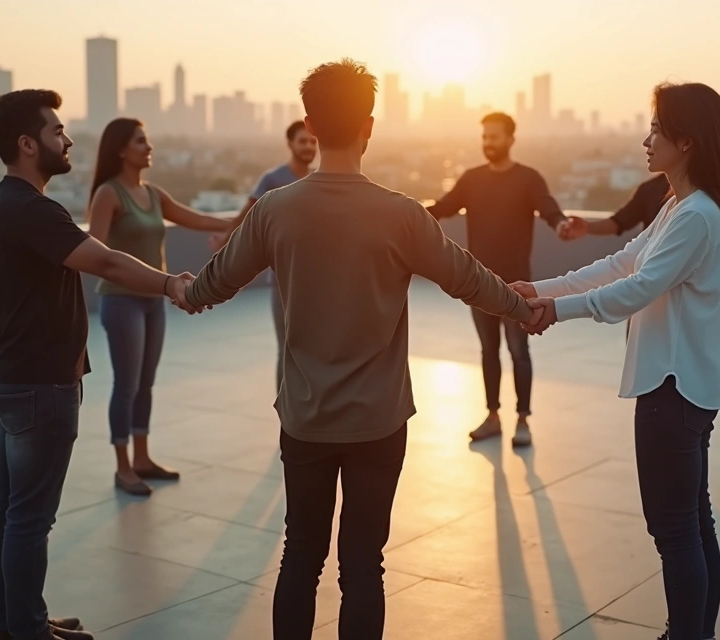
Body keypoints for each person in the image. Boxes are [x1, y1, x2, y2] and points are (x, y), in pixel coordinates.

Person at [182, 59, 539, 640]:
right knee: (362, 567)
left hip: (305, 417)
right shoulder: (401, 214)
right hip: (378, 420)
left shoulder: (275, 209)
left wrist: (182, 291)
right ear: (369, 126)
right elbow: (468, 279)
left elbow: (214, 284)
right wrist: (527, 310)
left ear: (311, 125)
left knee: (300, 556)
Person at [516, 82, 720, 640]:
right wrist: (539, 289)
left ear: (685, 141)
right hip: (682, 390)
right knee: (693, 521)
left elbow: (636, 289)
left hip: (673, 390)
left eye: (657, 129)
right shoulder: (681, 206)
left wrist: (555, 311)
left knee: (675, 530)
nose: (647, 140)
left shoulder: (696, 215)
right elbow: (620, 264)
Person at [0, 89, 197, 640]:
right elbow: (101, 260)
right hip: (39, 384)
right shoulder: (31, 209)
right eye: (56, 131)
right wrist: (171, 283)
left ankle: (16, 621)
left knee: (10, 507)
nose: (68, 138)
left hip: (12, 379)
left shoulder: (0, 204)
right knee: (29, 516)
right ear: (28, 144)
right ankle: (26, 630)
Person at [87, 117, 233, 496]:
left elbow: (198, 219)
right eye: (141, 141)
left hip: (156, 299)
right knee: (127, 383)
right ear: (121, 149)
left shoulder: (153, 194)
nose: (148, 147)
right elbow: (94, 251)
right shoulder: (108, 194)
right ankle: (123, 467)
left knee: (146, 383)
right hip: (120, 300)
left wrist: (245, 220)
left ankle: (142, 458)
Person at [427, 112, 568, 447]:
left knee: (519, 351)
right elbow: (444, 207)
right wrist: (406, 214)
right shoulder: (472, 179)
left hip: (516, 286)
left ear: (510, 139)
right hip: (479, 285)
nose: (488, 143)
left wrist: (561, 223)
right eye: (485, 137)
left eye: (495, 136)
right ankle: (492, 416)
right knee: (488, 351)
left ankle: (523, 420)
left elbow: (549, 209)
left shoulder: (528, 179)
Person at [210, 120, 317, 388]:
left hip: (318, 280)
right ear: (290, 144)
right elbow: (248, 214)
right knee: (287, 348)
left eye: (313, 141)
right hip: (283, 278)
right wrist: (226, 238)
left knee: (314, 351)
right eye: (302, 141)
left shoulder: (320, 180)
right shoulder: (273, 179)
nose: (308, 146)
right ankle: (285, 411)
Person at [557, 174, 671, 240]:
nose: (647, 143)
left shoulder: (687, 196)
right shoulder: (650, 188)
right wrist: (587, 227)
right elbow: (619, 222)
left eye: (656, 133)